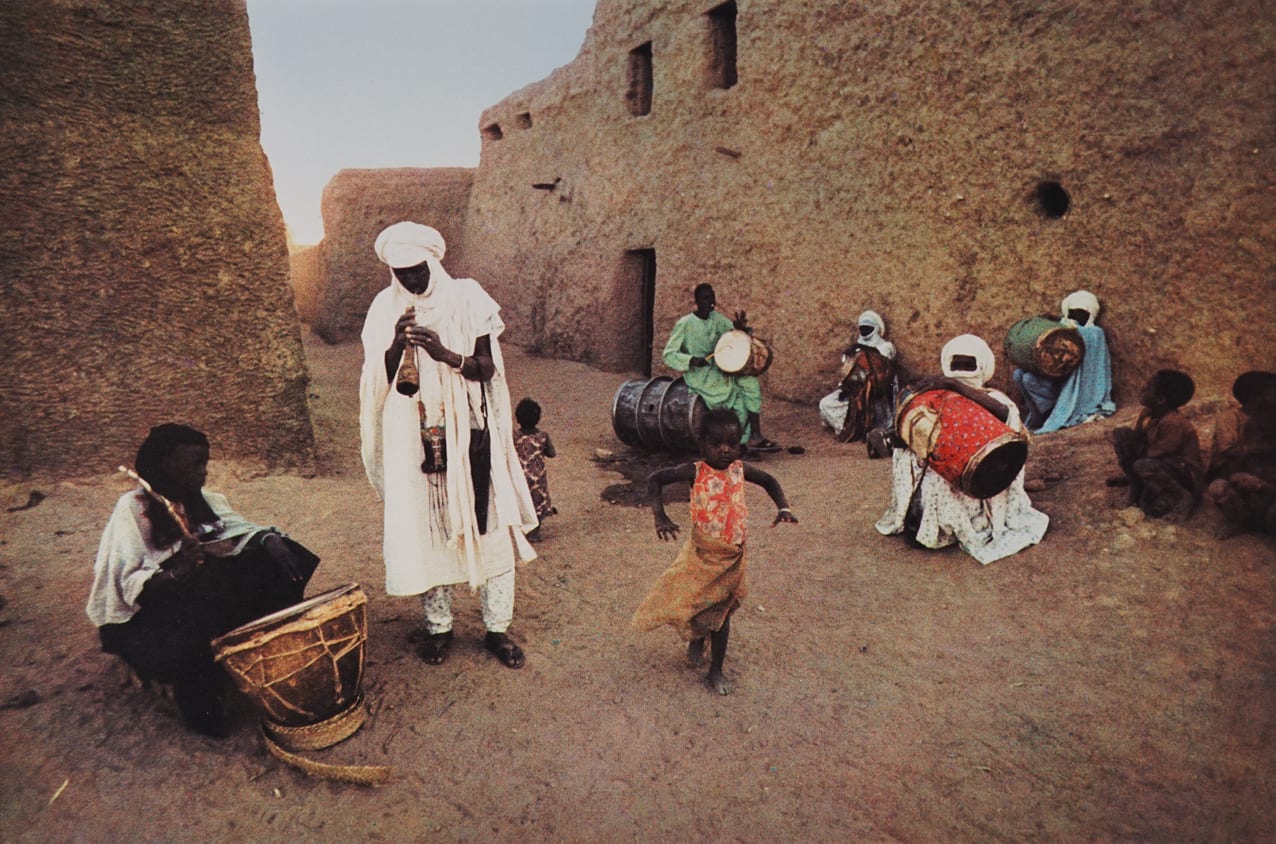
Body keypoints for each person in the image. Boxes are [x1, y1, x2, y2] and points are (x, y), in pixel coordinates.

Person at [359, 221, 538, 670]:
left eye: (418, 270)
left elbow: (486, 368)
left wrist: (444, 354)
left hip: (467, 431)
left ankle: (497, 628)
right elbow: (375, 378)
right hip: (410, 430)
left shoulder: (467, 297)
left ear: (433, 262)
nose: (413, 281)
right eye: (403, 274)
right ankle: (438, 627)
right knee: (427, 527)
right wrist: (398, 343)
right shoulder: (385, 307)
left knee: (489, 524)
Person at [86, 423, 319, 737]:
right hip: (148, 625)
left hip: (197, 598)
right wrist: (178, 570)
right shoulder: (133, 509)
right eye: (195, 464)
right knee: (200, 601)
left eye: (205, 463)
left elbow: (237, 532)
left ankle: (263, 652)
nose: (203, 472)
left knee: (285, 556)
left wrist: (267, 539)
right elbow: (126, 587)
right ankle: (201, 707)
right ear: (165, 464)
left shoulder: (202, 499)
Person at [632, 409, 797, 695]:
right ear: (702, 444)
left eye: (732, 443)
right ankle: (697, 638)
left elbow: (770, 481)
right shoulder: (694, 471)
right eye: (716, 443)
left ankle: (715, 671)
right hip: (702, 556)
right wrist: (660, 517)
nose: (725, 449)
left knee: (722, 614)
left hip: (731, 557)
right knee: (698, 604)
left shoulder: (740, 469)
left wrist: (783, 507)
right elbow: (655, 480)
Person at [876, 334, 1050, 564]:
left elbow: (1007, 419)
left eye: (968, 365)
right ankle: (925, 521)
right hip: (940, 470)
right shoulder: (935, 398)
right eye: (957, 365)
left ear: (981, 366)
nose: (962, 371)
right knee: (915, 461)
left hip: (980, 481)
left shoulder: (993, 398)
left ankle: (946, 525)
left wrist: (953, 385)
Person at [662, 283, 778, 452]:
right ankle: (738, 442)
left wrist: (741, 329)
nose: (710, 302)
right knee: (734, 397)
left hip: (720, 370)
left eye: (712, 298)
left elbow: (735, 335)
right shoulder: (685, 323)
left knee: (750, 384)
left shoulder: (717, 319)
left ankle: (753, 436)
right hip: (700, 375)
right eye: (705, 298)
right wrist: (692, 360)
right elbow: (669, 354)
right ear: (696, 301)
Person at [1012, 290, 1116, 432]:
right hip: (1057, 382)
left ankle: (1058, 411)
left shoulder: (1095, 333)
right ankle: (1045, 411)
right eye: (1073, 312)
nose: (1076, 317)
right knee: (1022, 376)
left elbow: (1083, 340)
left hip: (1077, 389)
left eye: (1081, 313)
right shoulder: (1061, 330)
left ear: (1090, 315)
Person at [1108, 369, 1203, 521]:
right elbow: (1138, 438)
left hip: (1183, 474)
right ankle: (1135, 485)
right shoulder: (1148, 412)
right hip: (1162, 463)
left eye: (1148, 387)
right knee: (1122, 435)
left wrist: (1131, 460)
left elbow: (1157, 453)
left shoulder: (1173, 422)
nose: (1143, 388)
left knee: (1142, 467)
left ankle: (1183, 498)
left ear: (1160, 400)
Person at [1205, 371, 1276, 537]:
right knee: (1222, 487)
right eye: (1271, 392)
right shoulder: (1238, 419)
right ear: (1256, 397)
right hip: (1235, 469)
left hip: (1265, 481)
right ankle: (1239, 520)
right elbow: (1229, 452)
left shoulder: (1265, 421)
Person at [818, 309, 898, 455]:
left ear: (876, 329)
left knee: (874, 414)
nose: (865, 331)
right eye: (862, 328)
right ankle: (849, 427)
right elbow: (848, 372)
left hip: (876, 392)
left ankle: (864, 430)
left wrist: (861, 350)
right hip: (854, 391)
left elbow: (880, 366)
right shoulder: (854, 348)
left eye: (868, 328)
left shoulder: (885, 346)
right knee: (826, 403)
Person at [513, 397, 557, 543]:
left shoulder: (514, 436)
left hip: (520, 476)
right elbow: (552, 453)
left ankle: (522, 529)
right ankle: (535, 533)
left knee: (522, 501)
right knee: (538, 503)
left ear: (518, 418)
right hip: (538, 477)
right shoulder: (542, 436)